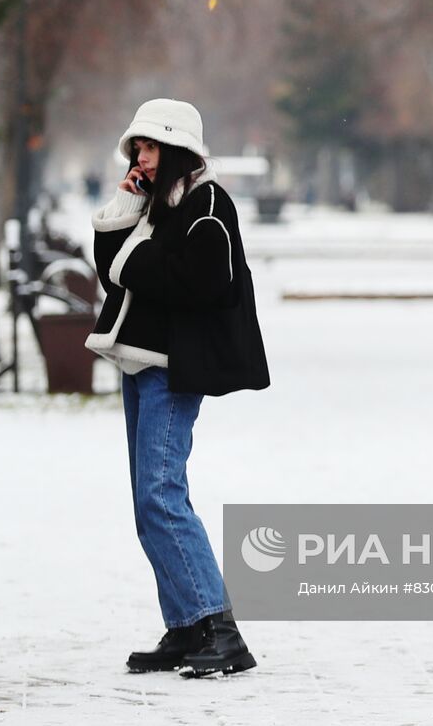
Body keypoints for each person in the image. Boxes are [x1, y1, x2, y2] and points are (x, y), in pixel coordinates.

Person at [85, 98, 270, 677]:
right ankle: (187, 626)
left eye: (147, 147)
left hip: (172, 368)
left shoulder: (207, 203)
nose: (138, 156)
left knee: (161, 496)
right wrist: (129, 202)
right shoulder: (157, 205)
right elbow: (109, 260)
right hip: (140, 363)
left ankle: (221, 629)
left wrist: (138, 261)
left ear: (175, 149)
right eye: (135, 148)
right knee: (150, 503)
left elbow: (203, 282)